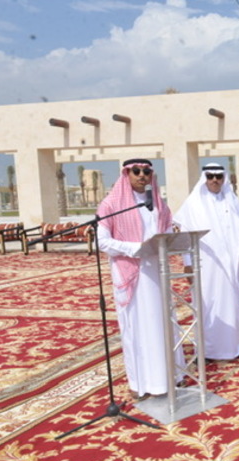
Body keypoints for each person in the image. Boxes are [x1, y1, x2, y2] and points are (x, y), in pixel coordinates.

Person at [97, 158, 184, 400]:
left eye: (146, 171)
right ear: (127, 174)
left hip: (157, 271)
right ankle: (141, 383)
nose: (141, 175)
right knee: (137, 328)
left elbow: (167, 232)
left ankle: (171, 376)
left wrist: (170, 239)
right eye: (136, 171)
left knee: (161, 323)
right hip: (131, 274)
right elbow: (102, 241)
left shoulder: (158, 204)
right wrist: (135, 248)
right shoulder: (111, 204)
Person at [174, 163, 239, 361]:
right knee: (208, 304)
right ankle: (208, 350)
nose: (215, 180)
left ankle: (238, 346)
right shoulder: (193, 204)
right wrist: (187, 262)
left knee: (234, 303)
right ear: (204, 178)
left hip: (231, 263)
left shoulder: (233, 201)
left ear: (224, 178)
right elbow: (185, 235)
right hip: (205, 264)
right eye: (210, 176)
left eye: (218, 176)